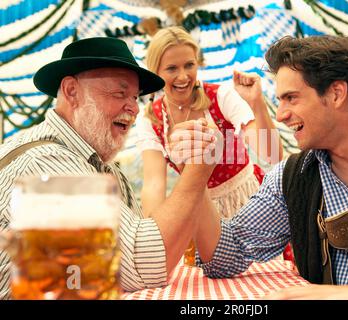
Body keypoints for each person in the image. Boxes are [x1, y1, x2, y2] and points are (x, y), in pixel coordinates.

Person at [179, 35, 348, 300]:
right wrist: (196, 172)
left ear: (336, 93)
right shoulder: (292, 177)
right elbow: (224, 257)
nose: (281, 115)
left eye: (291, 98)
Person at [0, 37, 217, 299]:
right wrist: (197, 170)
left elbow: (135, 258)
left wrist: (193, 169)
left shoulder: (105, 170)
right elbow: (144, 265)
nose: (134, 108)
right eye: (119, 93)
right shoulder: (45, 165)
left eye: (136, 97)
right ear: (71, 91)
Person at [135, 26, 283, 219]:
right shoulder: (150, 120)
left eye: (189, 65)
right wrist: (153, 235)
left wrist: (257, 103)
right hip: (201, 212)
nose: (183, 76)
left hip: (248, 201)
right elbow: (154, 184)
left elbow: (271, 155)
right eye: (172, 68)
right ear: (155, 71)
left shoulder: (220, 96)